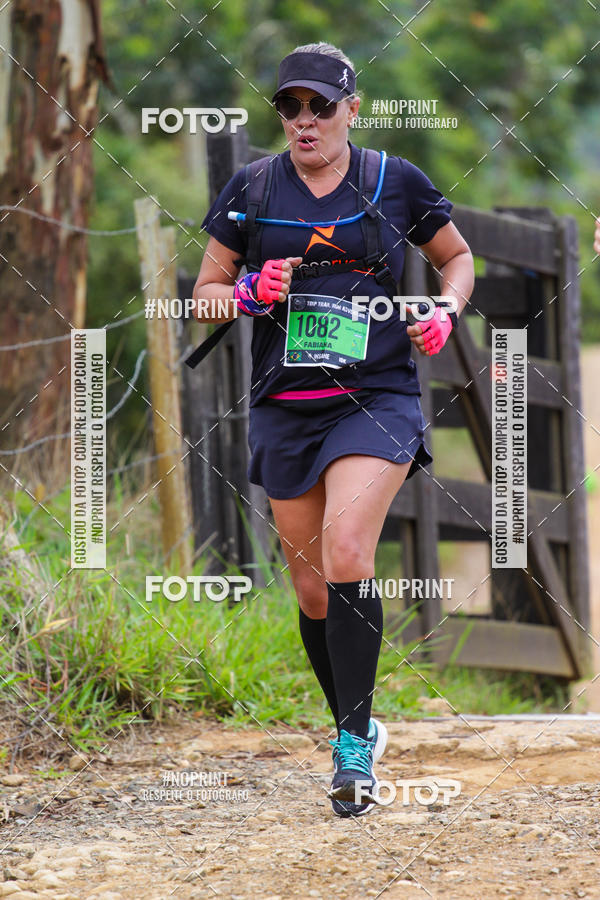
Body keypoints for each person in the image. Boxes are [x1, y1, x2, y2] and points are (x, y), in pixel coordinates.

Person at [193, 42, 474, 817]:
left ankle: (351, 751)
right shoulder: (253, 188)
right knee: (313, 588)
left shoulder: (394, 181)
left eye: (320, 105)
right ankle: (359, 723)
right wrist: (248, 291)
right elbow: (204, 293)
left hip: (375, 397)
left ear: (352, 108)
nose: (304, 120)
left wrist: (445, 310)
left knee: (348, 551)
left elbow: (456, 258)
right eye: (290, 106)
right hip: (285, 405)